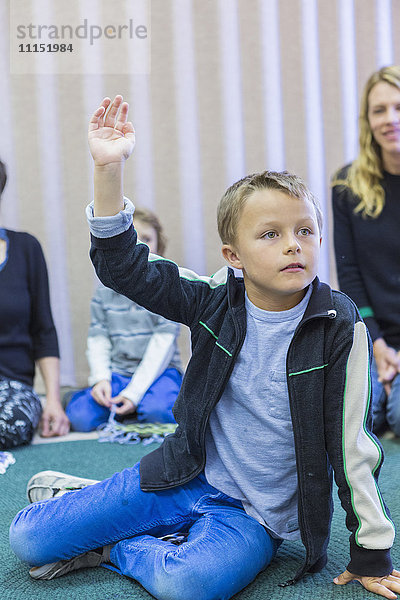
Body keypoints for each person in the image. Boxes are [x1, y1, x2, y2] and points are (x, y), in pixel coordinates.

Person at [9, 96, 400, 600]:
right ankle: (102, 509)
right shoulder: (212, 298)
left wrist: (372, 551)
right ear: (233, 256)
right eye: (271, 234)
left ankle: (115, 548)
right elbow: (124, 268)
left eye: (305, 231)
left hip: (253, 517)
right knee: (28, 537)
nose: (293, 244)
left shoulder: (338, 324)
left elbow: (354, 447)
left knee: (188, 583)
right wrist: (108, 170)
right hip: (183, 475)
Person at [65, 207, 182, 431]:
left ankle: (134, 406)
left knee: (159, 412)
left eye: (147, 238)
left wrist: (134, 393)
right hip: (118, 374)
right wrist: (101, 379)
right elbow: (99, 341)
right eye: (134, 239)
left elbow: (162, 347)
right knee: (79, 417)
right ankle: (100, 401)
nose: (140, 246)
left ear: (160, 247)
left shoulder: (167, 288)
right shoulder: (104, 294)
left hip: (160, 373)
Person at [332, 65, 400, 437]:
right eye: (379, 110)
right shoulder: (347, 186)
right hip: (373, 336)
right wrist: (375, 344)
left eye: (398, 107)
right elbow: (350, 275)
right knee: (359, 419)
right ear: (368, 120)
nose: (390, 119)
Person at [0, 160, 69, 449]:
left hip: (13, 387)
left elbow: (44, 330)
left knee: (11, 424)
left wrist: (52, 400)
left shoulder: (27, 248)